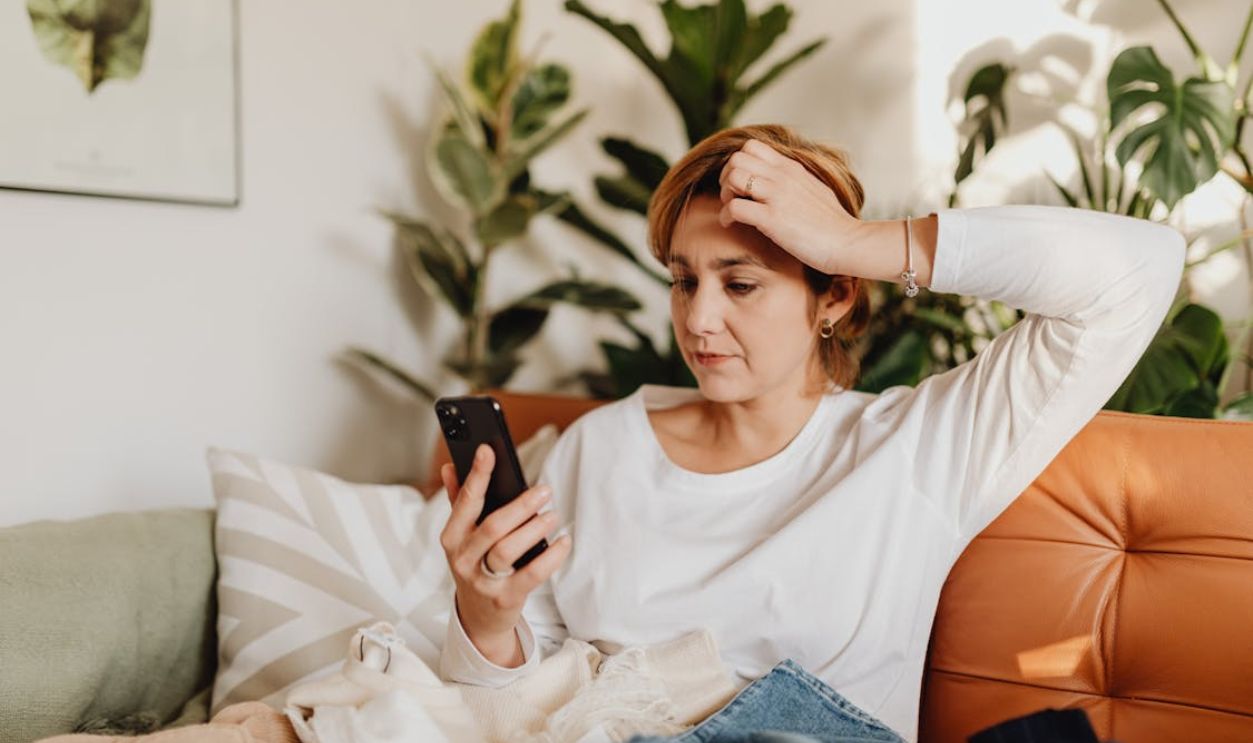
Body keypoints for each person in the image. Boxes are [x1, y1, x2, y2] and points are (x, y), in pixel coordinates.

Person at [434, 124, 1186, 742]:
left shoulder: (917, 448)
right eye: (684, 280)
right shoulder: (599, 447)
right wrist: (487, 617)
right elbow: (520, 698)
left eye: (740, 283)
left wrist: (855, 240)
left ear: (834, 294)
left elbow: (1138, 271)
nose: (698, 318)